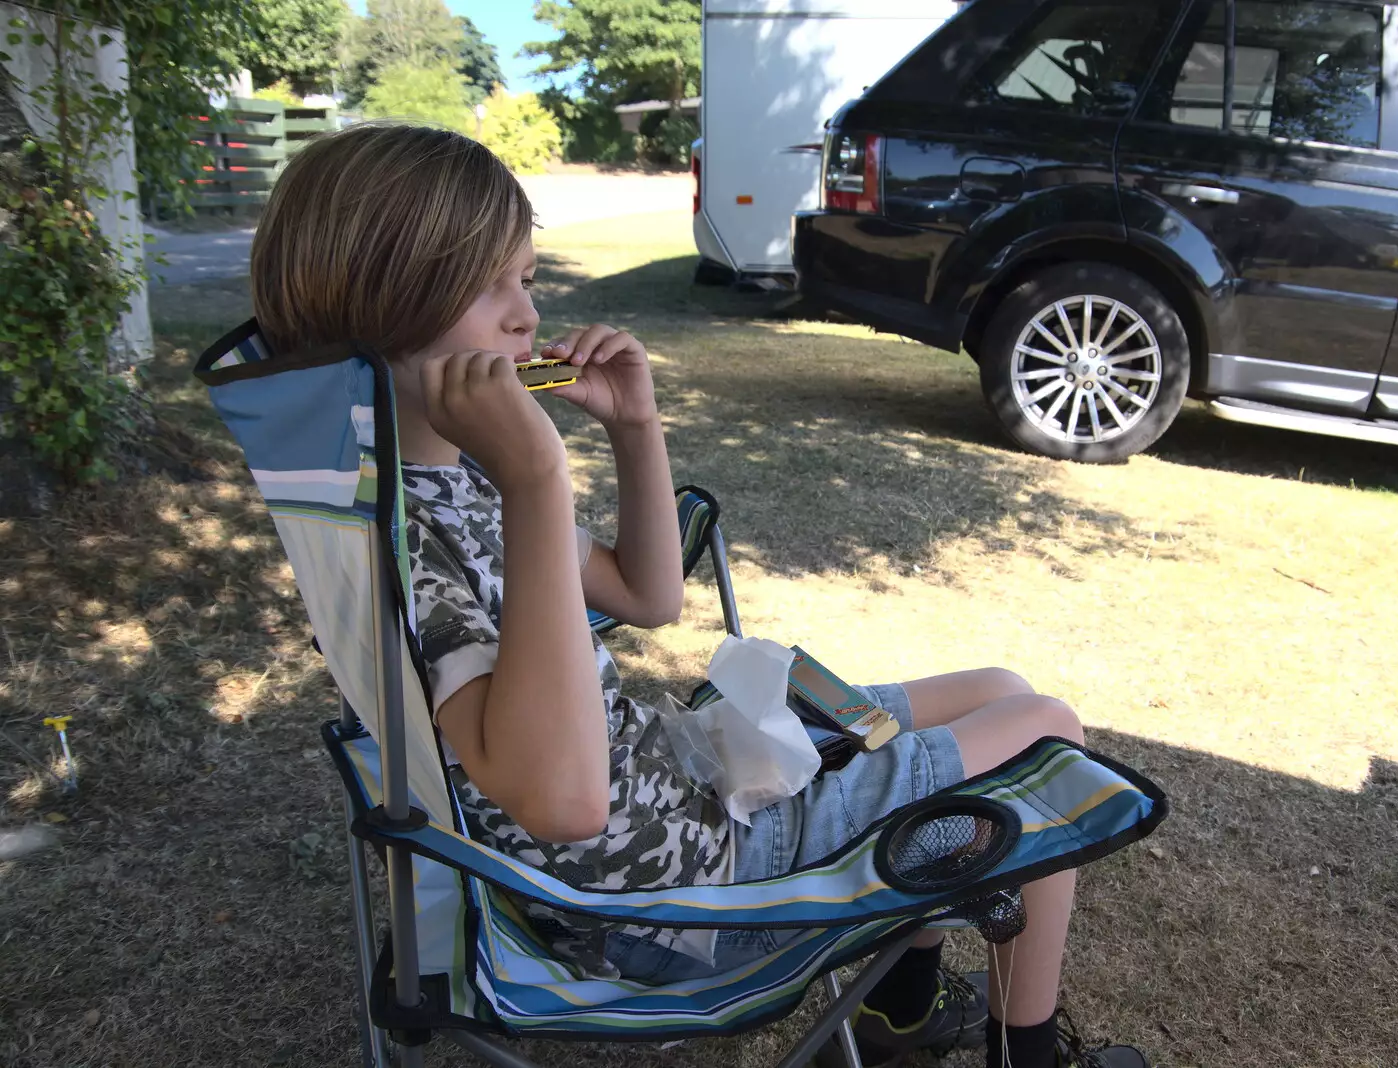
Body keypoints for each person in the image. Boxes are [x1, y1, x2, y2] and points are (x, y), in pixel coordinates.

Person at [248, 122, 1146, 1068]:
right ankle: (1029, 1052)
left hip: (693, 780)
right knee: (1046, 731)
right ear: (384, 309)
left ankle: (902, 1012)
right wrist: (538, 478)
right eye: (489, 285)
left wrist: (634, 427)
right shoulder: (420, 546)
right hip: (682, 895)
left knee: (994, 686)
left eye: (527, 277)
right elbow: (563, 805)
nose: (525, 315)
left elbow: (648, 594)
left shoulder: (440, 486)